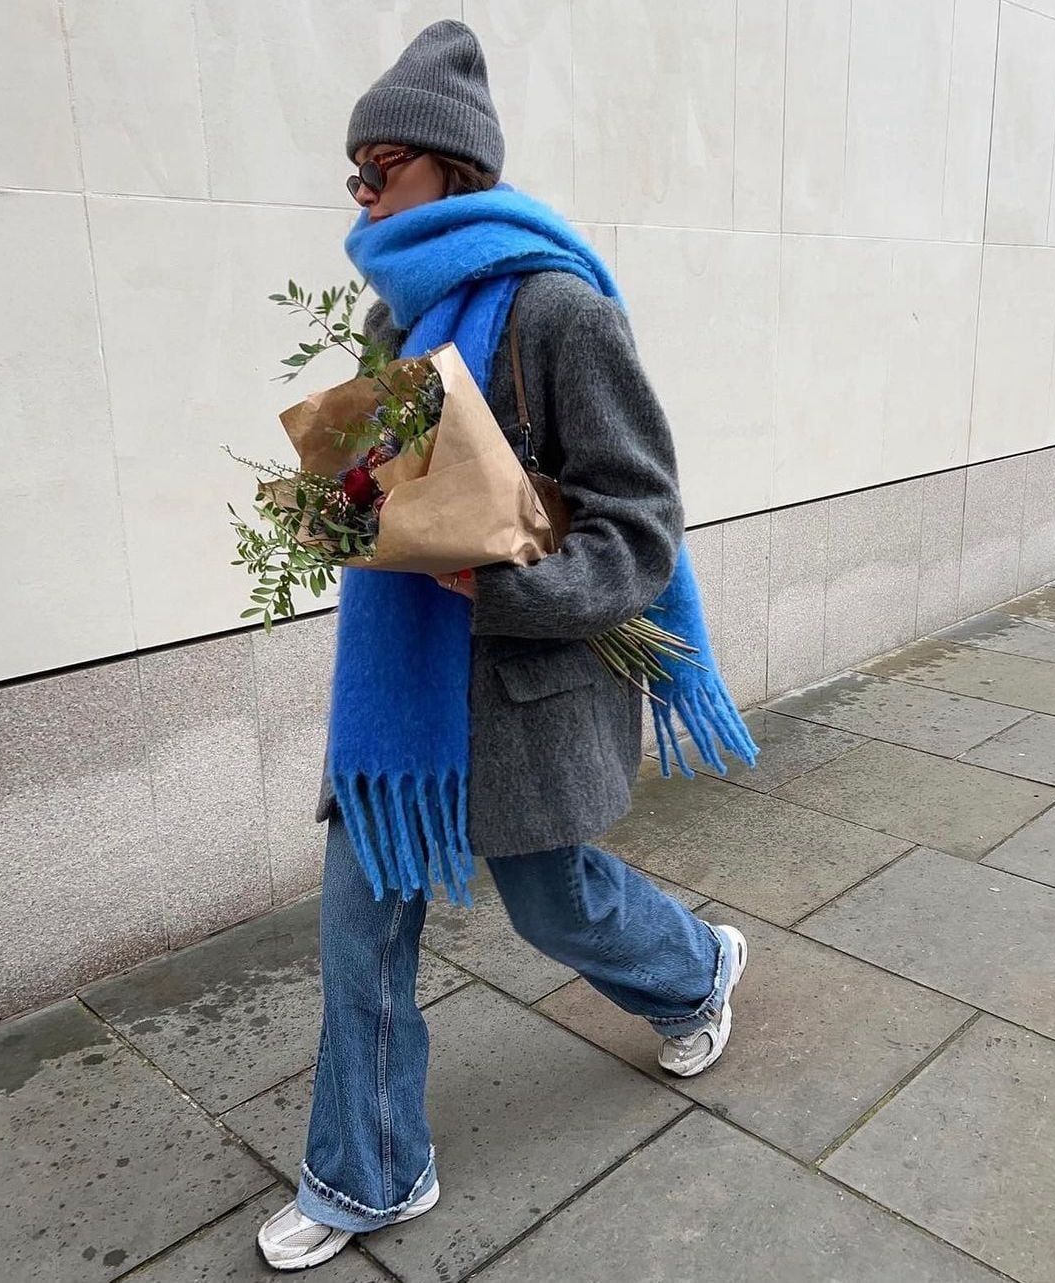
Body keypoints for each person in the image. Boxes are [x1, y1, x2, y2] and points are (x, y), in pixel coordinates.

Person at [256, 19, 752, 1272]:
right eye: (354, 174)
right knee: (362, 919)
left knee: (554, 899)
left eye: (382, 166)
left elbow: (641, 529)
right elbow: (405, 483)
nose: (362, 194)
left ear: (449, 165)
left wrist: (500, 580)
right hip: (401, 699)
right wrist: (345, 508)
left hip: (525, 679)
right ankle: (369, 1168)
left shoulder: (559, 308)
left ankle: (694, 972)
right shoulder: (390, 319)